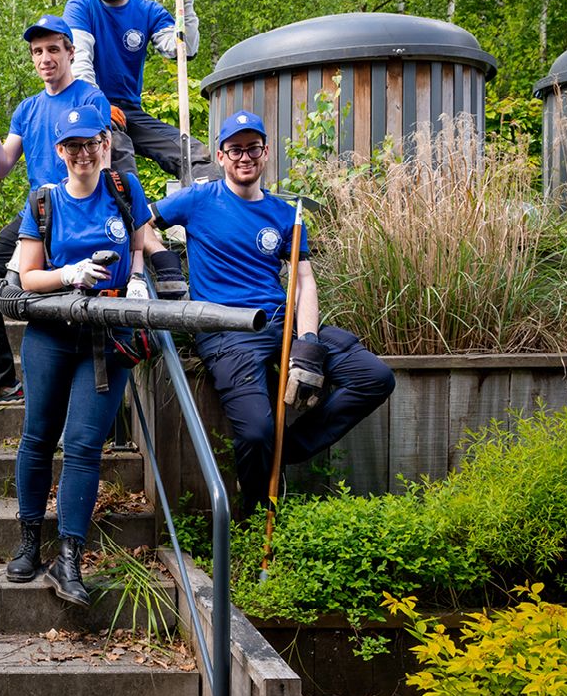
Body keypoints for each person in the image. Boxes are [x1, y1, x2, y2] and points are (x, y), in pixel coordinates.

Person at [151, 110, 396, 511]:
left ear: (266, 153)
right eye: (235, 149)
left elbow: (304, 281)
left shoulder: (285, 215)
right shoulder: (198, 199)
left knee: (374, 377)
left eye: (252, 148)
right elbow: (141, 222)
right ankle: (253, 511)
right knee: (255, 433)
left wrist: (309, 343)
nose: (244, 157)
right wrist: (162, 261)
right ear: (220, 156)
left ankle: (287, 451)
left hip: (280, 322)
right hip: (225, 331)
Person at [6, 104, 152, 605]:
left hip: (108, 336)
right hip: (51, 332)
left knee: (85, 444)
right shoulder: (44, 201)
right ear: (60, 151)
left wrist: (139, 280)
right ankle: (29, 541)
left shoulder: (124, 188)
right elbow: (28, 277)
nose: (83, 153)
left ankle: (68, 557)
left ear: (104, 144)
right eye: (73, 146)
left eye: (91, 143)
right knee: (38, 436)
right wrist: (69, 274)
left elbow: (142, 243)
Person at [0, 14, 110, 404]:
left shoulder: (90, 98)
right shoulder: (27, 109)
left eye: (53, 49)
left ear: (70, 53)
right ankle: (2, 380)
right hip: (37, 213)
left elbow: (103, 162)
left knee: (63, 291)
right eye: (38, 51)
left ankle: (74, 387)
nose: (45, 58)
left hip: (79, 211)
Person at [63, 0, 213, 184]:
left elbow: (183, 49)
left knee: (193, 153)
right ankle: (130, 208)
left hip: (130, 110)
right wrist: (98, 105)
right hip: (89, 105)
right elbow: (79, 62)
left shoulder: (148, 11)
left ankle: (209, 203)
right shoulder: (82, 5)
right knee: (118, 151)